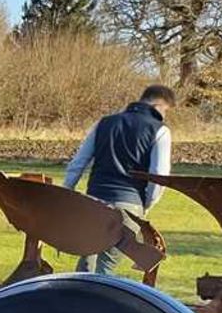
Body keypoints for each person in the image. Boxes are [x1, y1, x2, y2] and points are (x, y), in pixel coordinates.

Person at [62, 84, 174, 274]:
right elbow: (158, 177)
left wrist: (67, 192)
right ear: (159, 105)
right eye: (166, 111)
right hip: (129, 204)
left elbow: (78, 163)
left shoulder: (104, 123)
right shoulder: (160, 131)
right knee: (106, 269)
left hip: (94, 202)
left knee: (85, 266)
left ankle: (75, 300)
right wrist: (146, 205)